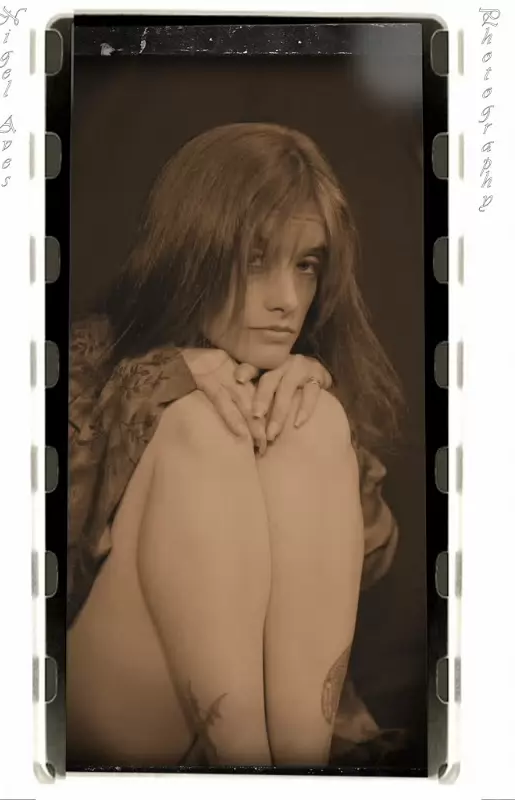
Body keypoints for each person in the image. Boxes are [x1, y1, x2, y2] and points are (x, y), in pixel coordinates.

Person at [66, 122, 403, 769]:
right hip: (101, 698)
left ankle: (296, 775)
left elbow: (372, 556)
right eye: (255, 260)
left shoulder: (304, 382)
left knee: (312, 420)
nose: (287, 301)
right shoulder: (89, 352)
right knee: (203, 426)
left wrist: (321, 409)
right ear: (194, 251)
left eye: (306, 265)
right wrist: (157, 381)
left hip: (280, 720)